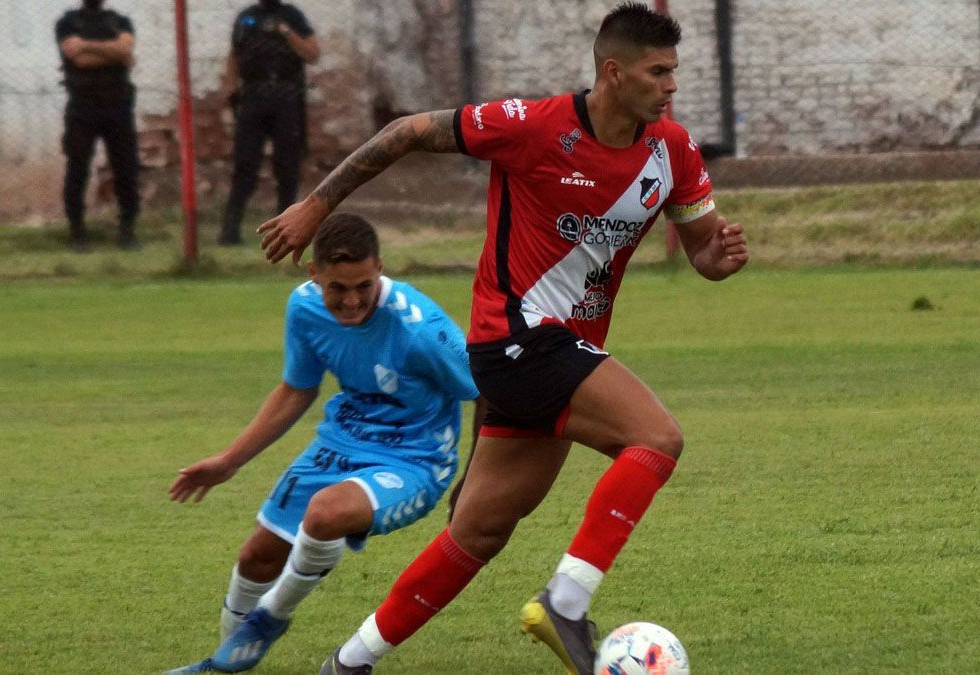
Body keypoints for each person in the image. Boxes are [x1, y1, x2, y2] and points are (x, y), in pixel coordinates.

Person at [260, 4, 749, 674]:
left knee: (479, 531)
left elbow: (702, 250)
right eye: (657, 72)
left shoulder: (674, 151)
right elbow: (406, 131)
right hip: (518, 337)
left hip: (552, 356)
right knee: (656, 438)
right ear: (614, 72)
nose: (671, 86)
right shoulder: (534, 126)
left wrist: (718, 258)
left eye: (673, 71)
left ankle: (349, 661)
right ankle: (565, 603)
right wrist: (317, 205)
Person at [165, 213, 485, 674]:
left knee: (325, 514)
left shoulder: (421, 328)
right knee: (257, 556)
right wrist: (230, 461)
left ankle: (271, 617)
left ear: (380, 269)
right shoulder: (304, 308)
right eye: (338, 288)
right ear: (314, 274)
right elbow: (297, 390)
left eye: (364, 286)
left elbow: (487, 391)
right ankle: (225, 664)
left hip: (415, 460)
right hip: (341, 442)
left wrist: (476, 478)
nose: (352, 301)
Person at [218, 0, 320, 246]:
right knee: (245, 164)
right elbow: (234, 57)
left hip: (286, 97)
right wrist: (227, 94)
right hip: (253, 97)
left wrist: (286, 32)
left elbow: (313, 53)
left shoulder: (292, 16)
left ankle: (286, 230)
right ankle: (229, 232)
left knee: (287, 165)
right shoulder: (246, 18)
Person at [55, 0, 140, 251]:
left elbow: (125, 49)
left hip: (118, 106)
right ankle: (77, 232)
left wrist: (86, 45)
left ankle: (127, 231)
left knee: (126, 168)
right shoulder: (68, 22)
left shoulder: (120, 21)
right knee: (78, 169)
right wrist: (114, 53)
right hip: (82, 107)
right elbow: (79, 60)